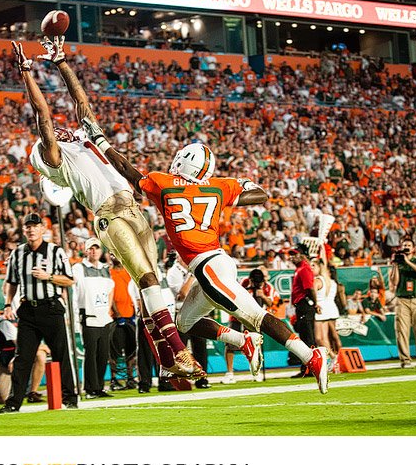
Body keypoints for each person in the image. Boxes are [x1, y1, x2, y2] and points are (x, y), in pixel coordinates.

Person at [84, 126, 329, 393]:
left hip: (209, 266)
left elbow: (127, 169)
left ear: (183, 161)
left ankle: (310, 356)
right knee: (184, 323)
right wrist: (229, 197)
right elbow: (260, 193)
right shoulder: (218, 187)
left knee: (256, 316)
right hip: (212, 264)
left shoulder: (164, 183)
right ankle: (243, 341)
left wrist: (100, 141)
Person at [11, 37, 202, 379]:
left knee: (151, 284)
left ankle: (165, 356)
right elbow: (43, 115)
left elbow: (80, 100)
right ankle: (179, 351)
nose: (58, 132)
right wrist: (26, 72)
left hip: (132, 208)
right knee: (145, 276)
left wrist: (61, 62)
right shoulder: (58, 159)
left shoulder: (84, 141)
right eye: (49, 139)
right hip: (109, 216)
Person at [0, 213, 78, 413]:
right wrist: (8, 305)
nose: (31, 230)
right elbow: (11, 282)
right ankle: (13, 402)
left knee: (61, 355)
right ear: (24, 230)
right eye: (28, 227)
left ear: (43, 229)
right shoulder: (17, 253)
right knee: (23, 358)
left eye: (35, 226)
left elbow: (69, 280)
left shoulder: (56, 251)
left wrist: (49, 276)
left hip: (50, 308)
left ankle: (70, 397)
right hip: (27, 309)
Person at [73, 238, 115, 399]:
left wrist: (107, 308)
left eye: (97, 248)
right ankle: (90, 388)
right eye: (91, 249)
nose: (94, 251)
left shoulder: (105, 269)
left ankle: (98, 387)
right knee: (91, 353)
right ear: (86, 251)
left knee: (103, 354)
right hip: (88, 316)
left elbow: (111, 288)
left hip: (103, 317)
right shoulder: (79, 267)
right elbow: (73, 282)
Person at [222, 268, 278, 384]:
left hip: (254, 318)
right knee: (231, 343)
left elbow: (271, 303)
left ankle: (256, 372)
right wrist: (247, 291)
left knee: (255, 345)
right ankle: (230, 373)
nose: (255, 284)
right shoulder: (243, 282)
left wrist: (262, 296)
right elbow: (234, 296)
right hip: (237, 316)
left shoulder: (268, 287)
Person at [165, 251, 210, 388]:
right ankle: (180, 379)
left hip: (196, 313)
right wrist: (191, 275)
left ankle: (201, 379)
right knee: (180, 349)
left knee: (200, 348)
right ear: (179, 257)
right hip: (181, 315)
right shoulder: (174, 272)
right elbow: (183, 294)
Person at [0, 314, 51, 405]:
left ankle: (33, 393)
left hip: (15, 357)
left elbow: (31, 346)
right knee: (5, 399)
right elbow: (21, 346)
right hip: (0, 360)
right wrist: (46, 347)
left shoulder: (32, 321)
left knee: (40, 354)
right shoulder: (7, 323)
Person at [389, 238, 416, 368]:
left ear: (413, 249)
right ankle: (405, 360)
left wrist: (408, 261)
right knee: (402, 331)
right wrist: (395, 264)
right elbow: (394, 283)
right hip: (402, 300)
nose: (406, 247)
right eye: (404, 245)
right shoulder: (398, 263)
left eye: (408, 245)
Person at [287, 244, 321, 378]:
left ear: (302, 255)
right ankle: (307, 368)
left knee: (308, 337)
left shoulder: (304, 269)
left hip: (305, 304)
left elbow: (310, 288)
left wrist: (315, 303)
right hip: (302, 305)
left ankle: (311, 368)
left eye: (295, 254)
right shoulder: (300, 268)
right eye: (291, 255)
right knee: (305, 337)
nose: (292, 257)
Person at [108, 255, 138, 390]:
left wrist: (134, 312)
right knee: (115, 350)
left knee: (131, 349)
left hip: (130, 316)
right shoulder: (109, 273)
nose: (115, 257)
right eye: (112, 254)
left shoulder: (128, 273)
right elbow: (110, 295)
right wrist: (118, 314)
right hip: (116, 318)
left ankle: (130, 378)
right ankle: (114, 379)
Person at [311, 259, 342, 366]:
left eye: (313, 266)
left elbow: (313, 293)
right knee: (328, 337)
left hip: (319, 309)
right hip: (329, 308)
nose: (311, 268)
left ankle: (334, 357)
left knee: (319, 338)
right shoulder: (329, 280)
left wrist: (314, 304)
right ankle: (334, 358)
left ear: (320, 268)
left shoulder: (317, 280)